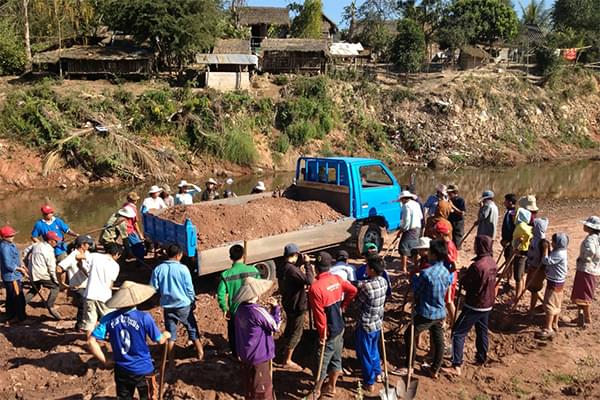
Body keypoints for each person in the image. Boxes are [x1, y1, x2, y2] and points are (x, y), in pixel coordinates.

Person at [88, 281, 170, 400]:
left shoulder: (108, 318)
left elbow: (91, 341)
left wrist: (105, 360)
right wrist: (166, 335)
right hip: (144, 369)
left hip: (122, 369)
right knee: (148, 396)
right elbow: (159, 340)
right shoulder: (144, 317)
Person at [444, 236, 497, 376]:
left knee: (458, 332)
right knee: (482, 330)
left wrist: (463, 276)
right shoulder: (492, 262)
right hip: (488, 302)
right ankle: (481, 357)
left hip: (475, 304)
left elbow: (468, 284)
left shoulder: (477, 266)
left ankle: (456, 365)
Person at [309, 251, 358, 397]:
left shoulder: (315, 288)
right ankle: (332, 387)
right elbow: (353, 290)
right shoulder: (336, 279)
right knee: (337, 358)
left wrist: (322, 334)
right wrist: (344, 305)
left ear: (316, 268)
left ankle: (316, 390)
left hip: (329, 330)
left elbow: (320, 316)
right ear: (329, 266)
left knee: (321, 362)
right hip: (340, 326)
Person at [403, 240, 452, 378]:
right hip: (440, 311)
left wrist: (415, 279)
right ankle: (435, 369)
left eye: (430, 252)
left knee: (409, 335)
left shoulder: (426, 273)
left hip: (426, 312)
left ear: (435, 255)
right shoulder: (446, 271)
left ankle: (409, 366)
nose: (428, 254)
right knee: (438, 340)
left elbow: (416, 290)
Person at [150, 244, 204, 365]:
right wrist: (192, 301)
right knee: (192, 329)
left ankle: (170, 360)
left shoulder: (159, 269)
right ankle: (200, 354)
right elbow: (189, 288)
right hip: (183, 305)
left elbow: (153, 287)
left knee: (171, 333)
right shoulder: (183, 269)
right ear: (179, 255)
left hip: (168, 306)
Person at [234, 277, 281, 400]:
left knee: (251, 386)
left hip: (246, 354)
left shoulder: (239, 310)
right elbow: (275, 326)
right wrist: (275, 308)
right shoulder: (257, 311)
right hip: (259, 357)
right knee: (263, 391)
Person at [216, 244, 261, 357]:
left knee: (234, 334)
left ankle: (236, 356)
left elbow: (220, 294)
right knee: (250, 333)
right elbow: (259, 287)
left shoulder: (226, 275)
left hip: (235, 311)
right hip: (251, 310)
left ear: (230, 257)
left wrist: (224, 308)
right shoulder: (253, 271)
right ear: (244, 256)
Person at [278, 243, 314, 370]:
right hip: (297, 305)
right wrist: (308, 265)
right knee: (297, 332)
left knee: (290, 327)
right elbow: (309, 281)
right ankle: (287, 360)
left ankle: (284, 349)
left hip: (288, 303)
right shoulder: (292, 270)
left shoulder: (283, 267)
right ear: (295, 255)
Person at [355, 256, 388, 392]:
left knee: (365, 353)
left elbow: (358, 304)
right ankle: (378, 373)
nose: (366, 269)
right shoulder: (383, 281)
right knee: (374, 349)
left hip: (366, 324)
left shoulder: (367, 287)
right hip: (377, 322)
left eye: (367, 267)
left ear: (372, 270)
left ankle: (369, 382)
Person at [82, 243, 122, 336]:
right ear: (116, 254)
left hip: (90, 294)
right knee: (110, 318)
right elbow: (110, 285)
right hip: (104, 296)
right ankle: (112, 337)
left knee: (90, 321)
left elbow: (79, 256)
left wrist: (82, 268)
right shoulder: (115, 265)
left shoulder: (95, 256)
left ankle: (89, 341)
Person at [536, 233, 569, 340]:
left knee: (549, 304)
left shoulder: (558, 254)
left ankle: (548, 328)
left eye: (553, 241)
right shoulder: (562, 251)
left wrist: (545, 250)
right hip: (560, 281)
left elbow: (546, 261)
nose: (551, 243)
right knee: (557, 303)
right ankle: (555, 323)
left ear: (557, 243)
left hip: (554, 282)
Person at [58, 235, 93, 330]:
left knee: (86, 306)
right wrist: (61, 283)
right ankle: (80, 326)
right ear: (82, 245)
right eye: (88, 244)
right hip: (78, 286)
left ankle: (81, 325)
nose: (89, 245)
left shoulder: (87, 253)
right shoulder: (72, 256)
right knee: (84, 305)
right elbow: (59, 268)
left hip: (87, 284)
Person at [24, 231, 62, 320]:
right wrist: (57, 281)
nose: (57, 242)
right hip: (41, 274)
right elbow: (52, 268)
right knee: (55, 287)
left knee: (35, 289)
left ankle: (21, 304)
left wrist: (27, 264)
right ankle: (50, 305)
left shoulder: (36, 245)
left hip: (32, 273)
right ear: (51, 241)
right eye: (56, 241)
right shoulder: (49, 250)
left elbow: (25, 252)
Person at [571, 216, 600, 327]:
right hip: (595, 269)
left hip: (586, 268)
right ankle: (585, 316)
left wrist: (585, 258)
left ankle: (584, 317)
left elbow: (591, 251)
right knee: (586, 293)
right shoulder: (597, 237)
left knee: (581, 294)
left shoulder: (590, 239)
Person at [434, 222, 459, 326]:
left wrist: (447, 274)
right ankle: (443, 320)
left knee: (449, 302)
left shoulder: (448, 247)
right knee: (444, 301)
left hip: (449, 279)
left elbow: (455, 265)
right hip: (446, 277)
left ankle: (455, 324)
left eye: (436, 234)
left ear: (440, 234)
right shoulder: (448, 243)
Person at [0, 225, 27, 323]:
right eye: (10, 236)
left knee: (12, 296)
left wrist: (22, 265)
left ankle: (10, 315)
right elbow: (8, 265)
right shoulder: (4, 248)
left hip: (14, 275)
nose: (12, 237)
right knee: (17, 297)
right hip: (12, 276)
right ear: (4, 237)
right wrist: (19, 269)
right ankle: (19, 317)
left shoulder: (10, 244)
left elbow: (15, 258)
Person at [525, 218, 550, 315]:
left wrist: (540, 269)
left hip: (538, 270)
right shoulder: (533, 239)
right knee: (530, 287)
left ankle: (532, 310)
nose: (531, 229)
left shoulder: (544, 243)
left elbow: (545, 259)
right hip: (532, 266)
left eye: (533, 227)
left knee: (534, 289)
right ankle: (544, 303)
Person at [396, 190, 423, 274]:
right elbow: (421, 216)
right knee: (414, 247)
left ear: (404, 199)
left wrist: (401, 231)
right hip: (417, 228)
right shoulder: (416, 204)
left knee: (403, 248)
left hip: (410, 229)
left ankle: (404, 268)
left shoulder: (406, 206)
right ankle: (415, 266)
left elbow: (406, 221)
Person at [512, 208, 533, 306]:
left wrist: (524, 241)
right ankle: (521, 293)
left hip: (520, 252)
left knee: (518, 276)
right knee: (522, 274)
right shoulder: (524, 225)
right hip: (522, 252)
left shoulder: (521, 226)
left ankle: (517, 296)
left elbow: (529, 234)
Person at [122, 192, 145, 259]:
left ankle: (128, 256)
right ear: (133, 200)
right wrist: (140, 234)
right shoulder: (133, 208)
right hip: (129, 230)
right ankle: (139, 262)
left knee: (128, 244)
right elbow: (135, 223)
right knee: (139, 246)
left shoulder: (125, 205)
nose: (136, 201)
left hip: (123, 229)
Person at [447, 185, 466, 250]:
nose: (448, 194)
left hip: (458, 223)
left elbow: (462, 213)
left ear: (455, 192)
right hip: (450, 222)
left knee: (457, 241)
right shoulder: (449, 200)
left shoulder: (460, 200)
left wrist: (452, 206)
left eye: (450, 193)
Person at [500, 194, 518, 264]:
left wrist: (507, 239)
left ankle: (508, 274)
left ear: (510, 202)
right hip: (508, 241)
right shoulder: (509, 212)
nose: (504, 202)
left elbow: (510, 228)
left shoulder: (512, 213)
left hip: (510, 241)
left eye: (506, 201)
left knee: (509, 260)